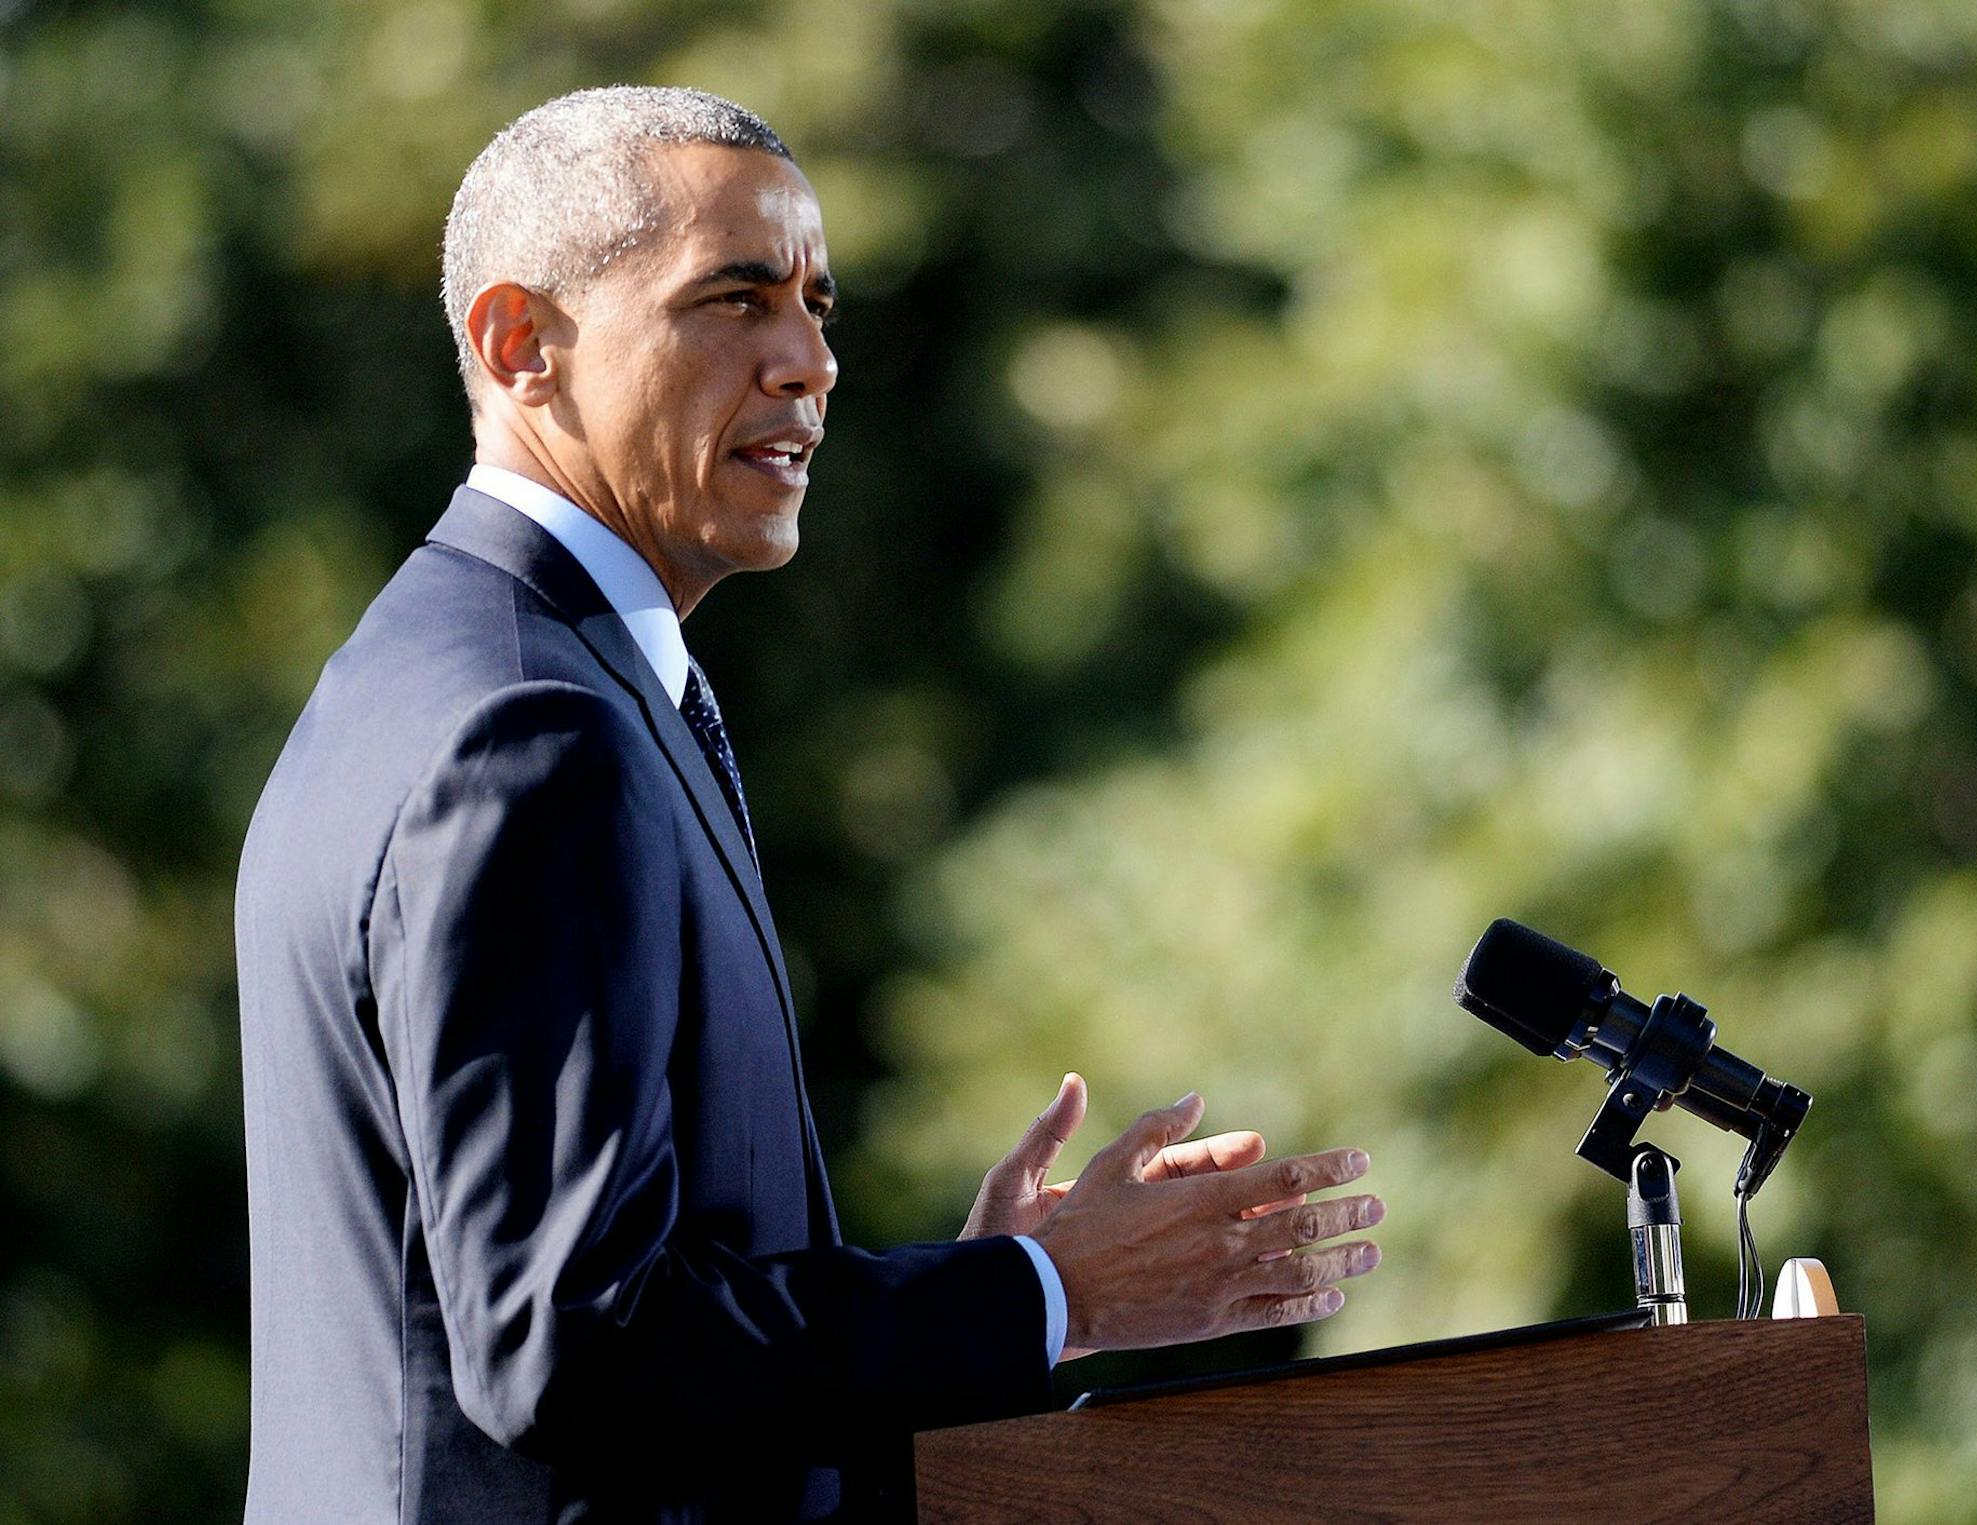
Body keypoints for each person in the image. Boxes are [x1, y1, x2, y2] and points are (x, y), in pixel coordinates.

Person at [235, 85, 1383, 1523]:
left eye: (816, 303)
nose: (809, 363)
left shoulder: (436, 671)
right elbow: (569, 1347)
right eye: (733, 298)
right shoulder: (531, 732)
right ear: (521, 344)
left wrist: (988, 1289)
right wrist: (1039, 1288)